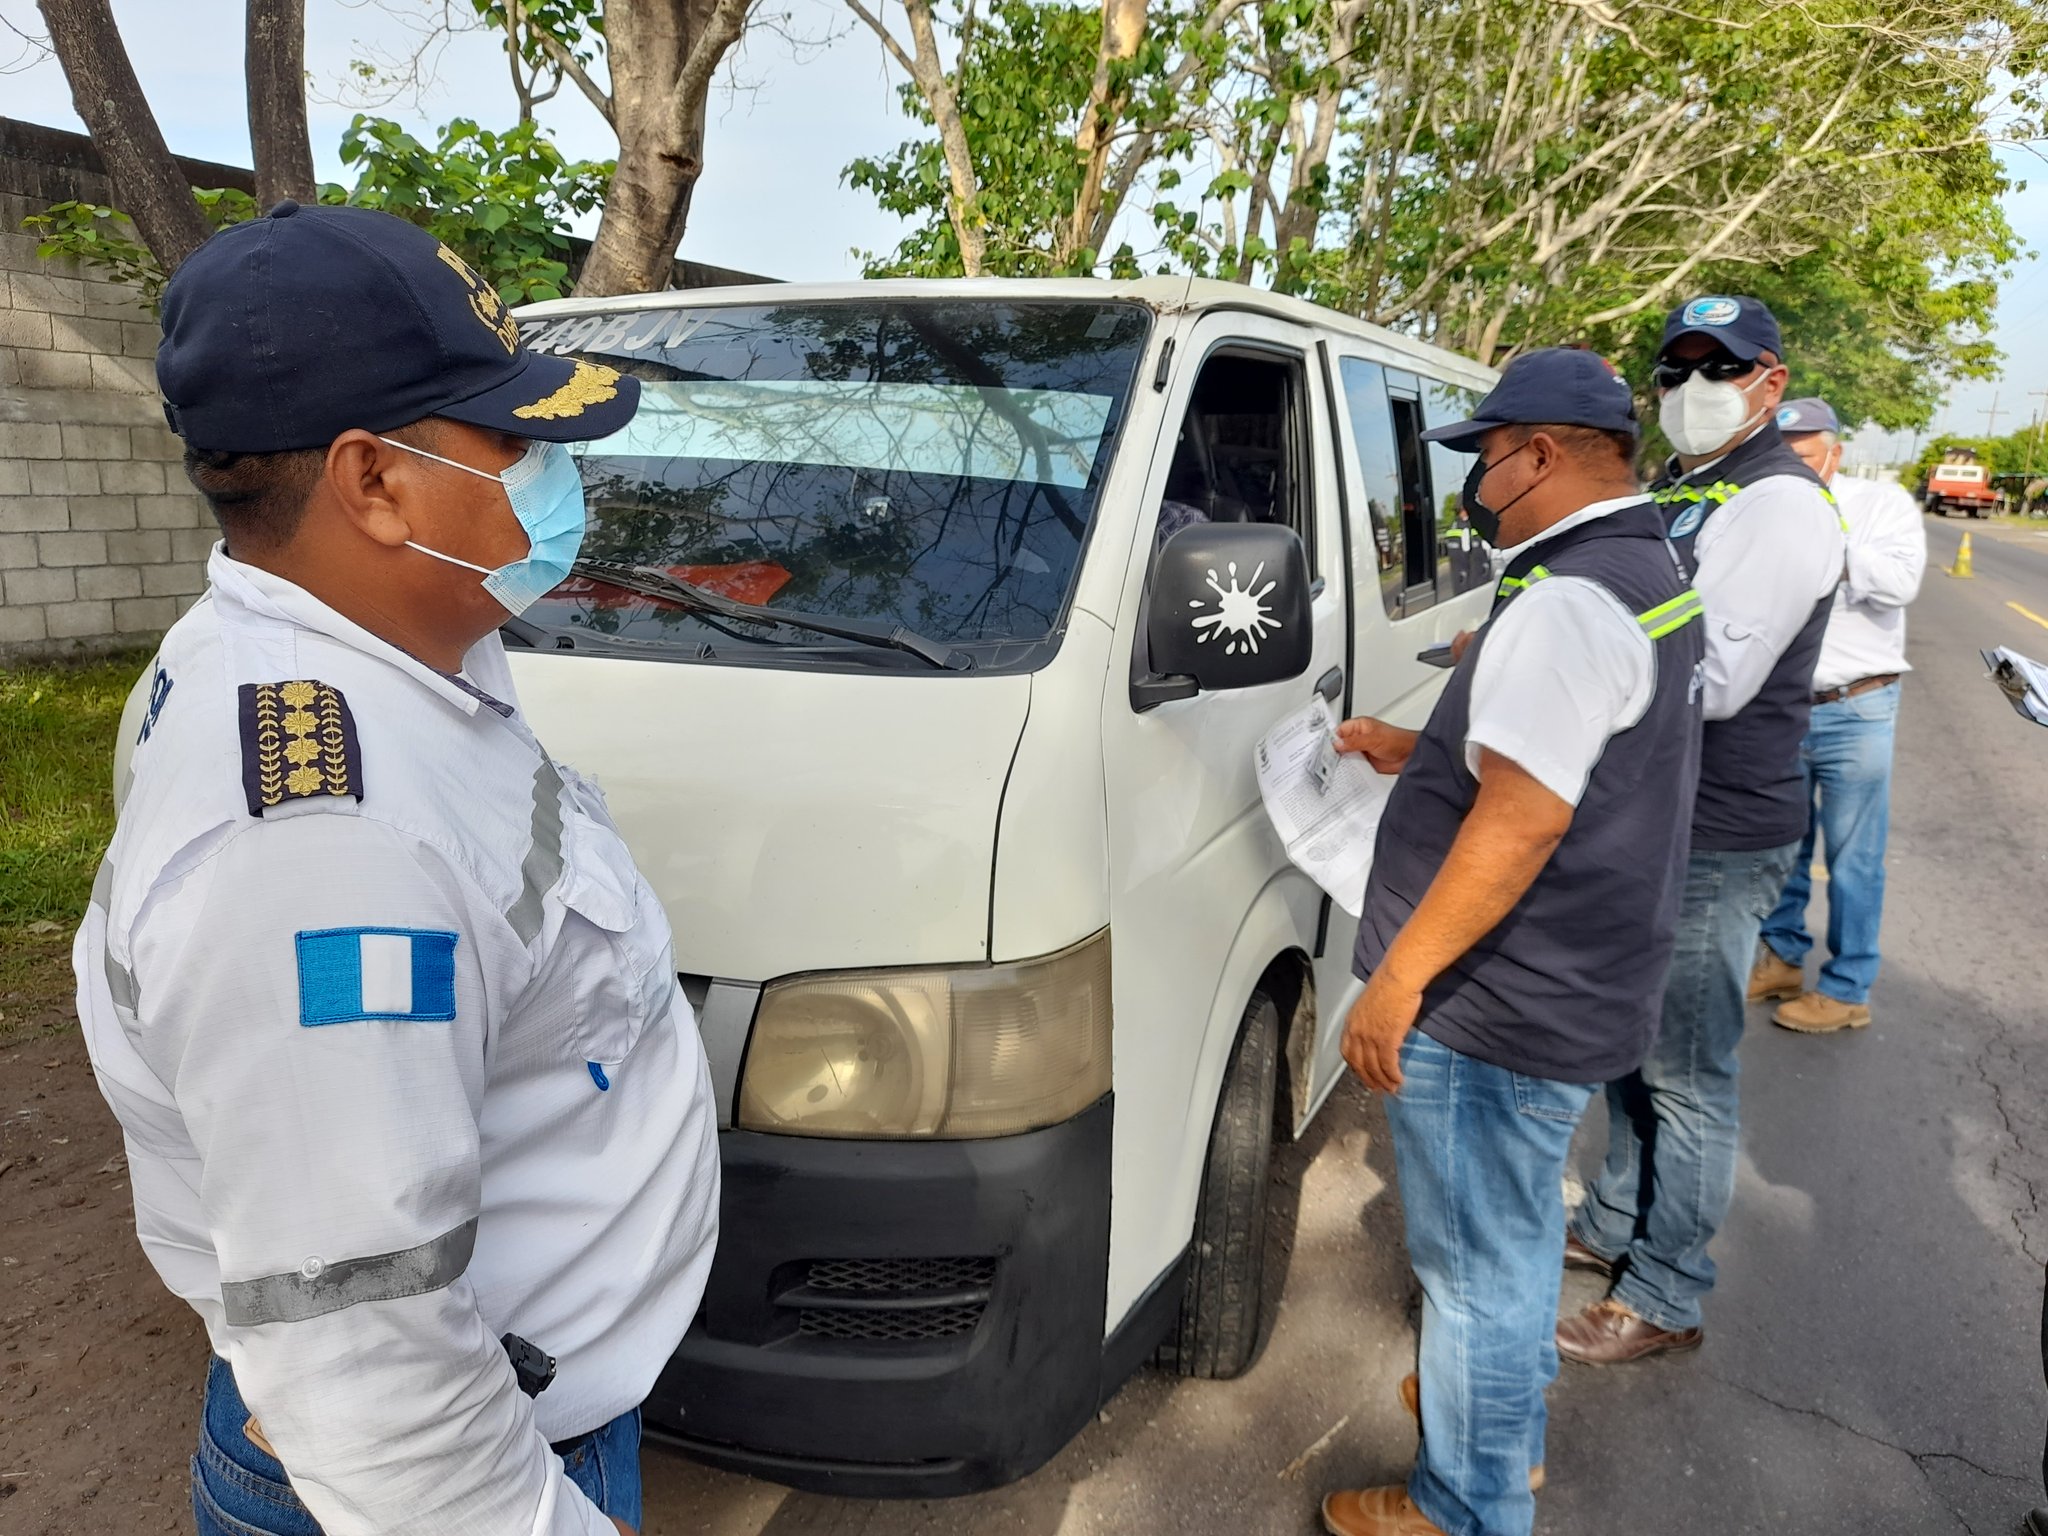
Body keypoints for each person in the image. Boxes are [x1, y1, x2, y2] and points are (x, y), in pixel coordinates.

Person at [73, 202, 720, 1536]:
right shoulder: (316, 845)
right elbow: (366, 1356)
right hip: (473, 1479)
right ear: (372, 482)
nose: (548, 472)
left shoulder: (393, 657)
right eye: (511, 441)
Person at [1317, 349, 1707, 1536]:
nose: (1475, 488)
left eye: (1483, 460)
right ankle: (1501, 1430)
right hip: (1578, 980)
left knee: (1474, 1277)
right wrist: (1417, 750)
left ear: (1538, 454)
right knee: (1516, 1245)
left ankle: (1462, 1504)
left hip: (1494, 1007)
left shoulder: (1566, 601)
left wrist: (1396, 982)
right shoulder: (1648, 572)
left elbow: (1524, 818)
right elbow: (1574, 759)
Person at [1559, 296, 1844, 1366]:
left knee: (1681, 1070)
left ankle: (1667, 1289)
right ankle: (1617, 1228)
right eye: (1672, 370)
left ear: (1768, 382)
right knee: (1631, 1050)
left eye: (1713, 369)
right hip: (1659, 813)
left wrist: (1569, 654)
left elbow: (1711, 678)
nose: (1687, 390)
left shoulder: (1777, 506)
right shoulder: (1698, 489)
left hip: (1715, 829)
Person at [1749, 397, 1927, 1032]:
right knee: (1783, 847)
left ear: (1834, 453)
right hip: (1781, 710)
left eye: (1800, 456)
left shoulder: (1882, 507)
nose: (1789, 468)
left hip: (1856, 708)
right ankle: (1781, 958)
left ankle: (1849, 987)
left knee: (1854, 857)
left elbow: (1900, 585)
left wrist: (1827, 533)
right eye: (1780, 456)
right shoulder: (1762, 509)